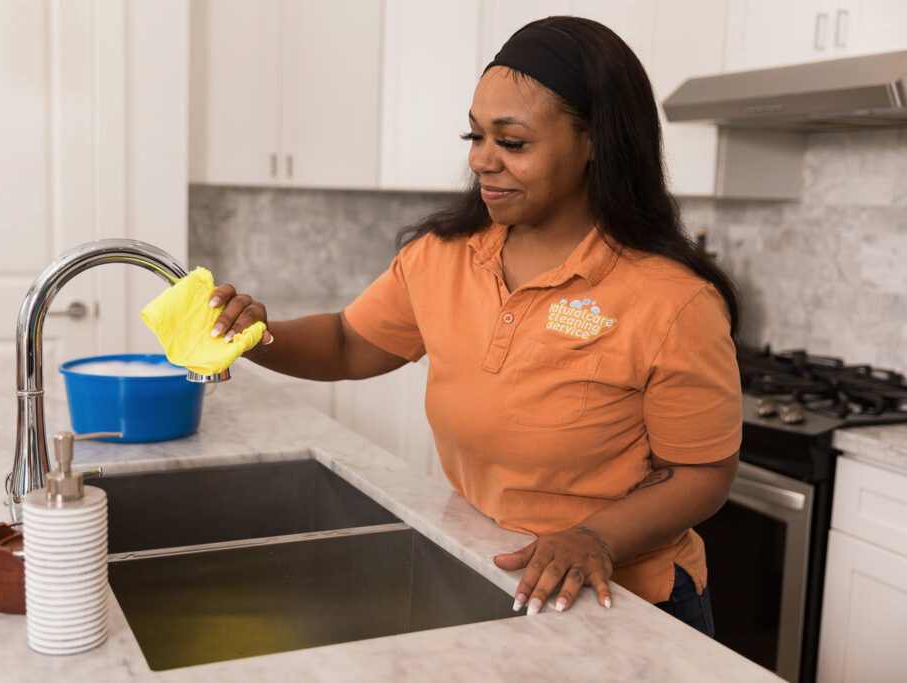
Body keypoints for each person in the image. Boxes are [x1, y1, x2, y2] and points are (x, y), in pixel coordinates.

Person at [205, 16, 741, 637]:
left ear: (596, 141)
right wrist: (255, 334)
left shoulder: (672, 299)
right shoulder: (445, 256)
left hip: (628, 601)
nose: (482, 161)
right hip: (488, 566)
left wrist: (595, 536)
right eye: (475, 135)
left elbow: (703, 473)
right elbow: (350, 344)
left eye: (512, 143)